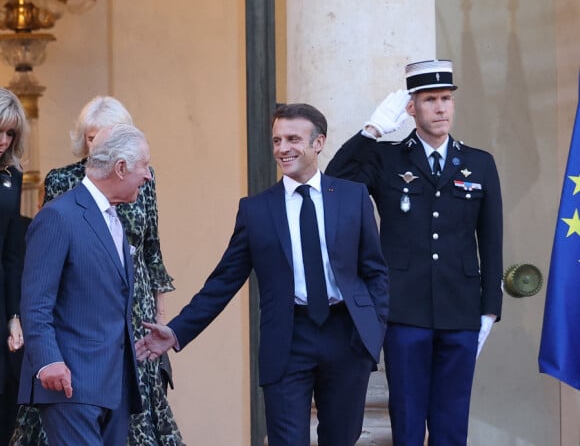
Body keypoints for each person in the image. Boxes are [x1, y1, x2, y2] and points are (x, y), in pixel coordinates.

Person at [136, 103, 389, 446]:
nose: (282, 148)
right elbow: (223, 281)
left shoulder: (352, 197)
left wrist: (374, 329)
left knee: (342, 439)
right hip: (287, 339)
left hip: (347, 336)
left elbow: (374, 270)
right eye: (277, 140)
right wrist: (177, 331)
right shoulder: (256, 210)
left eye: (292, 139)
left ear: (319, 143)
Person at [326, 59, 503, 446]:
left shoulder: (479, 163)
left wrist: (490, 308)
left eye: (446, 99)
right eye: (430, 100)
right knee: (406, 419)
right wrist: (371, 132)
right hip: (404, 309)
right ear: (411, 108)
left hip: (461, 309)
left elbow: (490, 240)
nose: (441, 108)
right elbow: (334, 184)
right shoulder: (386, 158)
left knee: (452, 420)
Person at [11, 96, 182, 446]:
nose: (148, 176)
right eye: (143, 167)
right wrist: (48, 362)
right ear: (120, 168)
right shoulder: (58, 216)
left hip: (114, 384)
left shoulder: (115, 218)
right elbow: (36, 302)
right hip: (70, 381)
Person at [0, 89, 27, 446]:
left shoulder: (11, 177)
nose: (3, 141)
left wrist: (14, 317)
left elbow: (11, 253)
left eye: (10, 134)